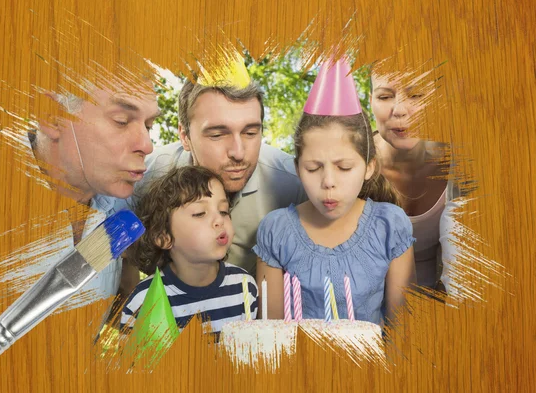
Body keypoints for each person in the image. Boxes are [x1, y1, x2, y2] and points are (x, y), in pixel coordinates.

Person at [256, 59, 417, 325]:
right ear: (297, 169)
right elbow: (272, 336)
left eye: (344, 167)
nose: (328, 182)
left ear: (369, 167)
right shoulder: (276, 231)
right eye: (313, 168)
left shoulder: (390, 226)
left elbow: (404, 333)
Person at [123, 58, 307, 288]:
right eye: (217, 135)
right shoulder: (143, 178)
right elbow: (122, 261)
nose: (238, 153)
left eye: (250, 132)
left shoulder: (296, 184)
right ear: (184, 136)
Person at [25, 83, 160, 307]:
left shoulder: (123, 205)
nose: (147, 145)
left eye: (149, 126)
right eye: (122, 121)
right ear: (51, 117)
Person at [120, 166, 258, 341]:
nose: (219, 220)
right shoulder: (142, 301)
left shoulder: (245, 286)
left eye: (224, 211)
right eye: (200, 213)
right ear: (164, 237)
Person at [370, 70, 463, 293]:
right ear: (370, 99)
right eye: (384, 97)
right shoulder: (348, 165)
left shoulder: (463, 167)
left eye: (417, 95)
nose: (400, 110)